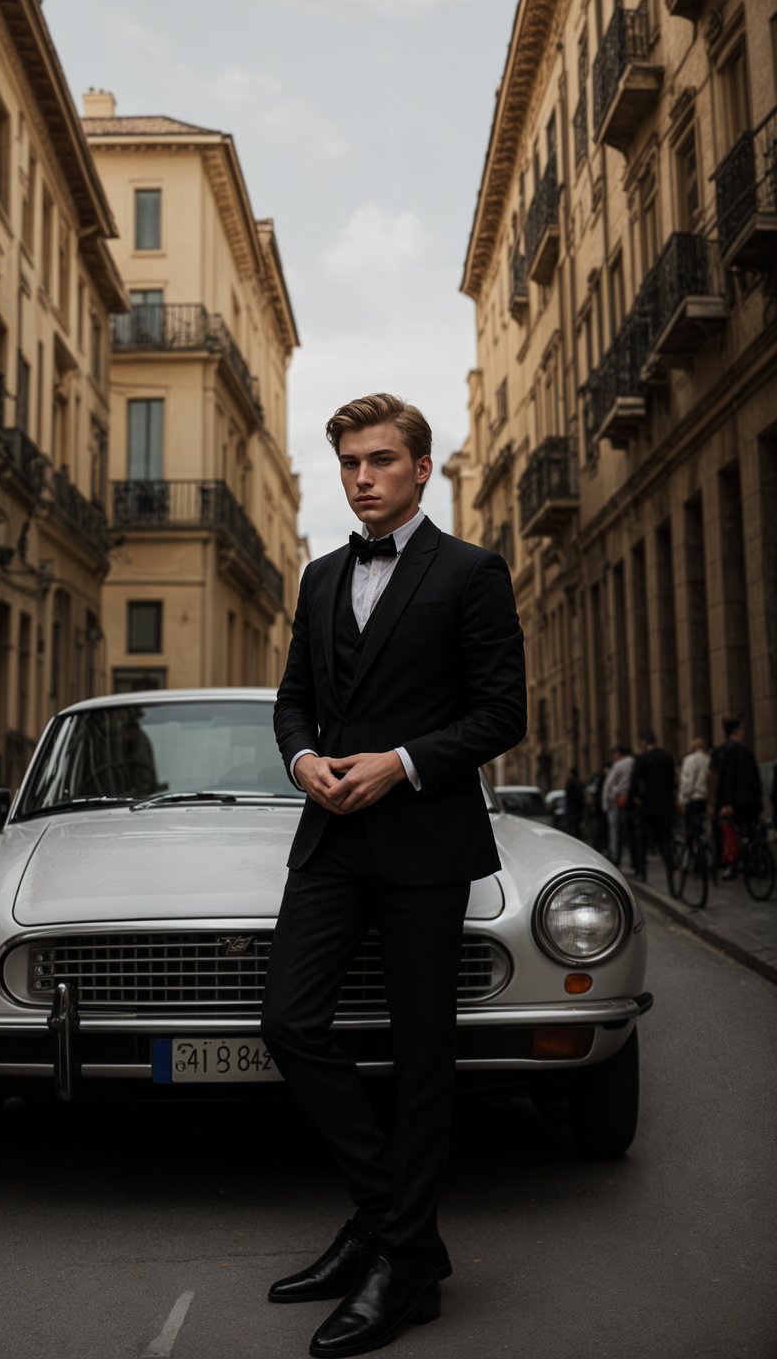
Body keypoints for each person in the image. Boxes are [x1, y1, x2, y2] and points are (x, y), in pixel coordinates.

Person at [264, 392, 526, 1358]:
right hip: (330, 839)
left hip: (424, 842)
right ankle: (397, 1230)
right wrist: (305, 762)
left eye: (379, 460)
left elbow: (502, 714)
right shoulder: (320, 576)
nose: (362, 476)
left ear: (421, 469)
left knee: (422, 1059)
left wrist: (401, 762)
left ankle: (396, 1254)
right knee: (290, 1021)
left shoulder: (471, 572)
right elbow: (294, 702)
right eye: (349, 463)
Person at [709, 718, 763, 879]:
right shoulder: (745, 750)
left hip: (734, 802)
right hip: (749, 801)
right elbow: (754, 778)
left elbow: (726, 779)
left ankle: (733, 865)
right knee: (749, 833)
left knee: (730, 834)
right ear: (736, 731)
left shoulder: (725, 750)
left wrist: (726, 803)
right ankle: (753, 864)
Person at [629, 729, 676, 879]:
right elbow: (672, 780)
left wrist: (635, 798)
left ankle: (642, 871)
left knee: (642, 839)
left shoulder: (642, 759)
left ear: (644, 742)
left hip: (648, 806)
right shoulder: (667, 756)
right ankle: (670, 867)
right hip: (665, 805)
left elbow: (635, 782)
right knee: (665, 839)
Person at [603, 745, 634, 872]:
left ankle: (615, 858)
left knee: (615, 832)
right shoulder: (634, 763)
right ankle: (633, 861)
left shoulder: (618, 765)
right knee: (630, 833)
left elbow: (608, 785)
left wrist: (606, 803)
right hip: (632, 801)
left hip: (617, 802)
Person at [677, 737, 710, 853]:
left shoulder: (690, 760)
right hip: (704, 798)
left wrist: (682, 799)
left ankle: (693, 855)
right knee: (701, 827)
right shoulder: (707, 759)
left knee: (691, 829)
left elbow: (688, 781)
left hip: (693, 798)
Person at [564, 767, 586, 839]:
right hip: (578, 810)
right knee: (577, 829)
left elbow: (569, 795)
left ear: (572, 774)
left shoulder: (570, 783)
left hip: (572, 810)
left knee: (571, 829)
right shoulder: (580, 783)